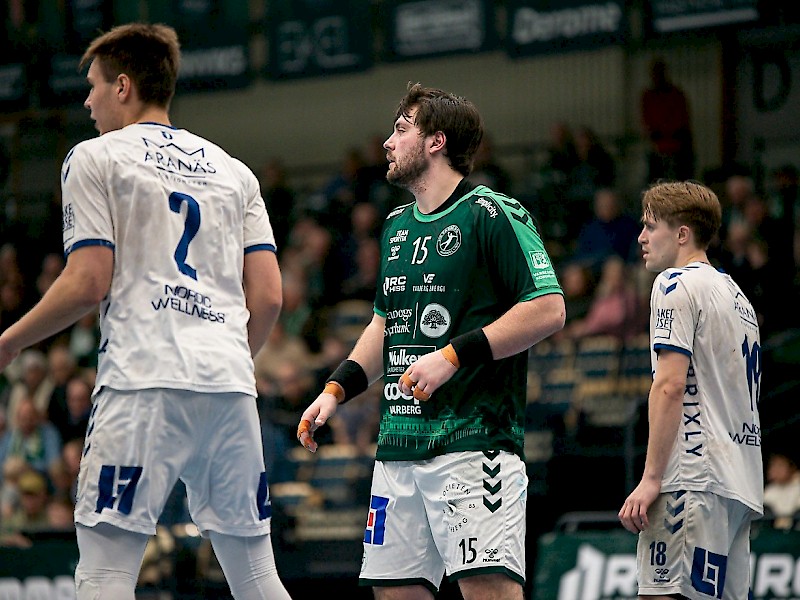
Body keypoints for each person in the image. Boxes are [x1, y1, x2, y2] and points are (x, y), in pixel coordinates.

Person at [0, 23, 290, 600]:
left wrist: (8, 342)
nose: (87, 102)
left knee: (106, 575)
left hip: (142, 380)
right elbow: (269, 297)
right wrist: (227, 357)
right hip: (229, 386)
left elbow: (87, 282)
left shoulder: (94, 157)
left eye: (93, 86)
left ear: (123, 86)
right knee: (257, 578)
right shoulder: (235, 172)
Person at [296, 83, 566, 600]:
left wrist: (451, 356)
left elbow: (548, 308)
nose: (388, 143)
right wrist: (335, 389)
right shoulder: (395, 226)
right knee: (394, 594)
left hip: (473, 444)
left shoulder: (492, 212)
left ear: (436, 141)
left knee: (489, 593)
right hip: (398, 448)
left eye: (401, 130)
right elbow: (384, 325)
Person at [618, 181, 764, 599]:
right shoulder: (736, 295)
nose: (641, 238)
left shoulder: (674, 283)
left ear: (682, 234)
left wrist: (651, 478)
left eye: (651, 227)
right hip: (738, 483)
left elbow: (669, 384)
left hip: (692, 477)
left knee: (662, 595)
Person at [640, 58, 695, 182]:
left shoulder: (676, 95)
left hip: (677, 144)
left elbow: (682, 119)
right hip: (659, 145)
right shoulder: (648, 96)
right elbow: (647, 121)